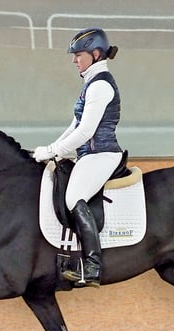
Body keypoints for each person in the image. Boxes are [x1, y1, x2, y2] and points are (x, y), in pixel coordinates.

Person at [33, 27, 123, 288]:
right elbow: (74, 126)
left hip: (102, 154)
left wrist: (53, 151)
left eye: (78, 55)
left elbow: (86, 131)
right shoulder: (91, 84)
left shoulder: (101, 86)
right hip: (88, 154)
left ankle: (93, 266)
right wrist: (51, 149)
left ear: (95, 54)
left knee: (74, 197)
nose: (74, 60)